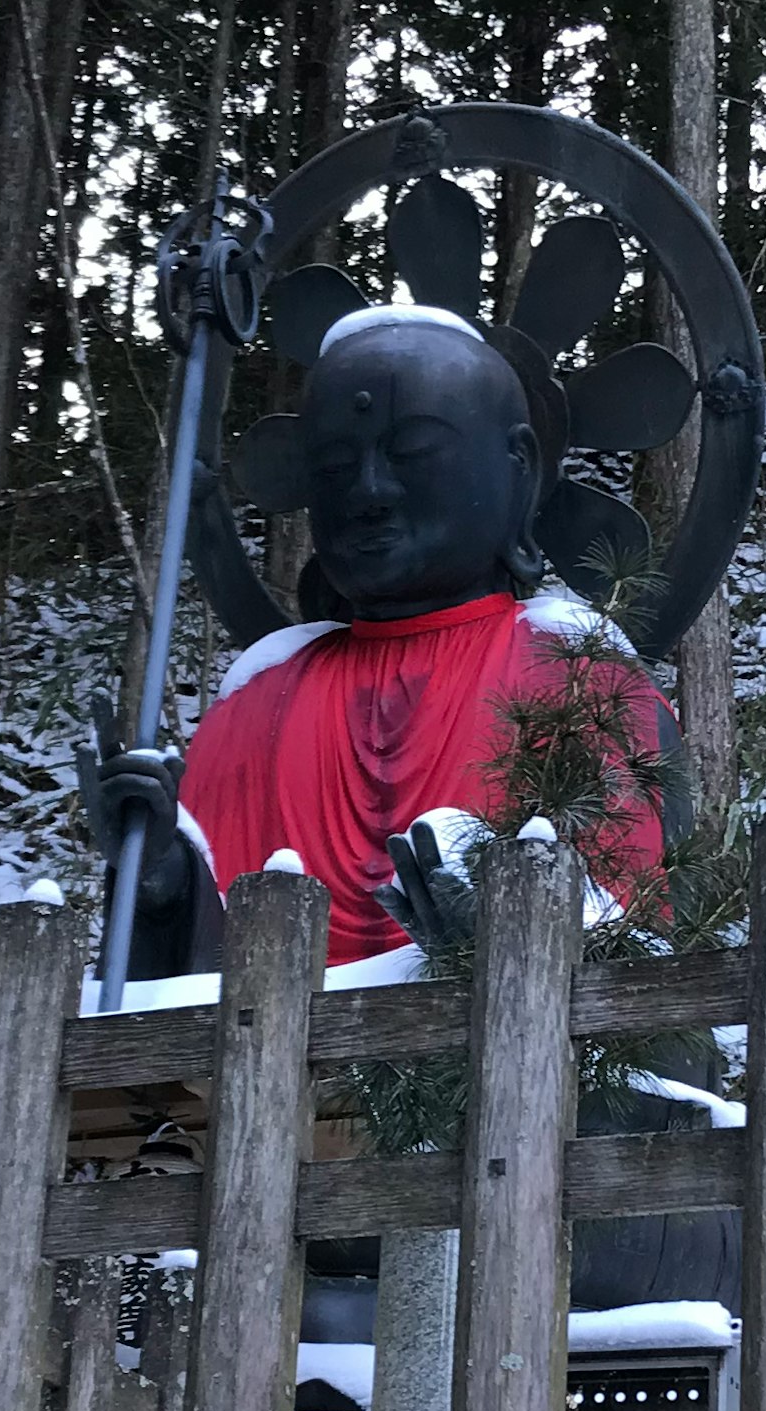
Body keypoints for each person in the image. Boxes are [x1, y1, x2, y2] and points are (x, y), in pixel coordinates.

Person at [82, 302, 674, 974]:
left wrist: (494, 939)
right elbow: (181, 1002)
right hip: (264, 1064)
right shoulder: (257, 698)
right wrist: (163, 883)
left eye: (414, 451)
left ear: (519, 467)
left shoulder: (574, 673)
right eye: (334, 466)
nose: (369, 491)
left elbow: (645, 990)